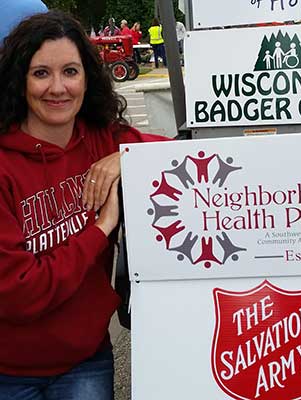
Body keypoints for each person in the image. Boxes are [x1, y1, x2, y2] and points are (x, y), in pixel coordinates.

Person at [0, 10, 169, 400]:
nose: (57, 88)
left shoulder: (103, 140)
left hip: (85, 360)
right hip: (8, 370)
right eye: (41, 73)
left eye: (70, 72)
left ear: (86, 77)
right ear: (19, 80)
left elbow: (187, 158)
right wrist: (101, 228)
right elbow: (19, 293)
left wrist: (127, 157)